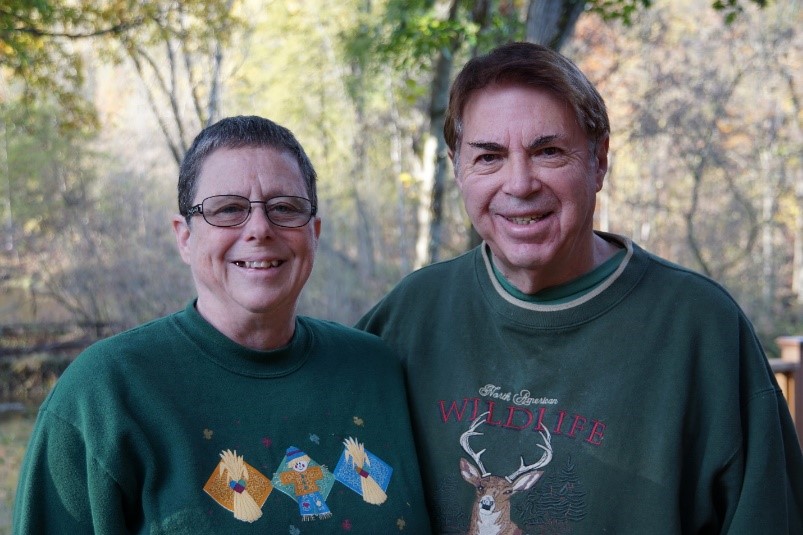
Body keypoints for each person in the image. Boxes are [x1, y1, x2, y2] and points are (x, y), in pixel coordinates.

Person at [357, 42, 803, 534]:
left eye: (548, 152)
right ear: (458, 167)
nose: (520, 183)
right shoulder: (410, 314)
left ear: (599, 161)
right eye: (489, 156)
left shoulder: (699, 329)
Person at [13, 115, 431, 534]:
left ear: (314, 232)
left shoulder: (377, 371)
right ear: (184, 237)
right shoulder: (105, 394)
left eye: (284, 208)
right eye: (228, 209)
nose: (259, 229)